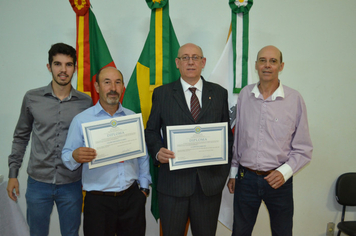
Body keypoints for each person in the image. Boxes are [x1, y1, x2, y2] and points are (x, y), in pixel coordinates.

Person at [145, 43, 233, 236]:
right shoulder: (162, 94)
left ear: (203, 62)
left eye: (195, 57)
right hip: (173, 186)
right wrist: (158, 151)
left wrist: (221, 174)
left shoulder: (219, 94)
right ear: (177, 63)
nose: (190, 62)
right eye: (185, 57)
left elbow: (226, 135)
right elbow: (151, 131)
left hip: (208, 186)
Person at [6, 43, 93, 236]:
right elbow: (20, 137)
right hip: (38, 183)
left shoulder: (85, 103)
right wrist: (13, 174)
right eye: (57, 64)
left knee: (71, 234)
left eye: (69, 65)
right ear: (49, 67)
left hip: (71, 183)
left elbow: (90, 140)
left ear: (75, 68)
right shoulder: (32, 98)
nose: (63, 70)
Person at [227, 45, 313, 236]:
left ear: (281, 66)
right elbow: (239, 138)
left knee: (282, 232)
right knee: (239, 232)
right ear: (256, 65)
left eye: (273, 61)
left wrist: (284, 172)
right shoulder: (245, 96)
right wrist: (233, 172)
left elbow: (304, 148)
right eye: (263, 61)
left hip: (279, 181)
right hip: (245, 179)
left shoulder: (294, 99)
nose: (267, 65)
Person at [61, 67, 151, 236]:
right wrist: (74, 156)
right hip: (98, 202)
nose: (113, 88)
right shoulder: (81, 120)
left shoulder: (131, 117)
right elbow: (66, 155)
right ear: (97, 87)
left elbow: (143, 155)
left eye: (117, 83)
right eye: (107, 82)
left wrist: (144, 189)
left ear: (123, 87)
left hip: (132, 199)